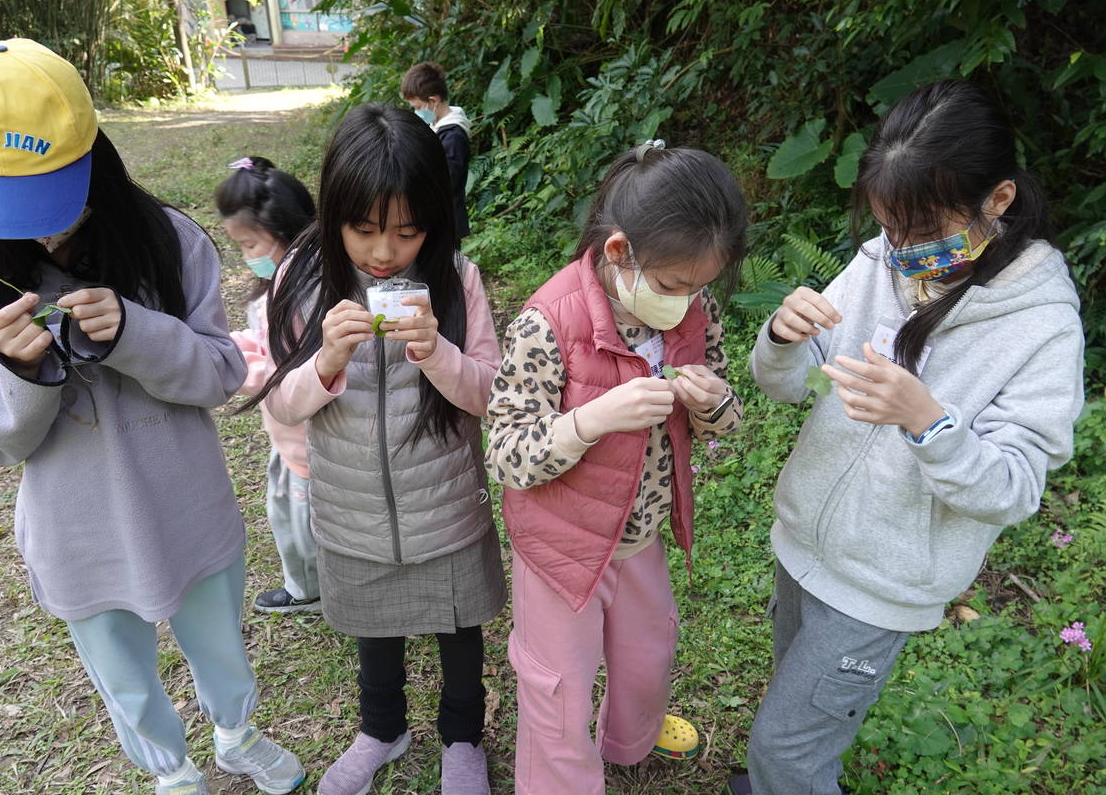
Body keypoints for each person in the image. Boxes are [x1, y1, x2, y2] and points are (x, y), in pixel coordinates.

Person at [0, 40, 303, 795]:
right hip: (79, 535)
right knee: (124, 676)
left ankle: (237, 734)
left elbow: (221, 374)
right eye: (6, 204)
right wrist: (17, 371)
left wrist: (137, 332)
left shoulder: (168, 243)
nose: (40, 232)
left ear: (93, 159)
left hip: (189, 507)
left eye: (50, 198)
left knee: (221, 646)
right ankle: (171, 773)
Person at [735, 79, 1084, 795]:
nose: (899, 249)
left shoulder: (1042, 325)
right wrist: (779, 339)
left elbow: (1015, 488)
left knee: (785, 751)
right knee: (791, 716)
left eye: (920, 230)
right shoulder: (881, 261)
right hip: (802, 544)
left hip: (883, 582)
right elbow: (791, 380)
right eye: (888, 226)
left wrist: (928, 423)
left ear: (1000, 199)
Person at [245, 103, 505, 795]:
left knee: (459, 635)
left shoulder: (457, 280)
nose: (384, 253)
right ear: (334, 216)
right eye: (363, 230)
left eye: (406, 232)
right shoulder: (303, 281)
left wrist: (440, 355)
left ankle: (462, 740)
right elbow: (280, 402)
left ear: (434, 221)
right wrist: (326, 360)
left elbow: (492, 395)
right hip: (353, 510)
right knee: (374, 634)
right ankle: (381, 729)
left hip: (445, 506)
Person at [486, 140, 748, 795]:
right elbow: (506, 452)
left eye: (701, 287)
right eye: (672, 287)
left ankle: (628, 742)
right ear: (618, 253)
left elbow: (725, 420)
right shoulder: (549, 323)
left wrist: (716, 402)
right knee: (558, 689)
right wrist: (592, 419)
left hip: (638, 536)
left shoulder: (695, 312)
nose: (687, 301)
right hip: (561, 547)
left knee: (647, 656)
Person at [215, 155, 320, 614]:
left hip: (306, 439)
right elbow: (267, 344)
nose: (246, 256)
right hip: (288, 438)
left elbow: (295, 371)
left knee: (306, 523)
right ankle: (306, 587)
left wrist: (239, 369)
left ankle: (315, 592)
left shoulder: (302, 288)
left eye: (249, 243)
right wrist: (232, 345)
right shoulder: (282, 280)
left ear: (284, 231)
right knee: (287, 513)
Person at [401, 61, 471, 244]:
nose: (416, 112)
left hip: (446, 222)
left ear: (433, 101)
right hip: (433, 217)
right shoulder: (436, 127)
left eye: (417, 107)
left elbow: (448, 181)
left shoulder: (453, 136)